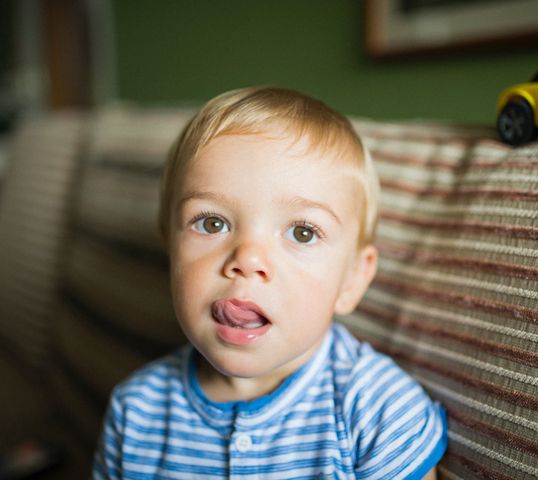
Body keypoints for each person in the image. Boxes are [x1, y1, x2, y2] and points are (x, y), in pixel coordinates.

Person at [92, 86, 447, 479]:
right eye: (212, 223)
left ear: (352, 280)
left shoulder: (379, 413)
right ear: (171, 249)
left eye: (302, 232)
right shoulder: (136, 412)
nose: (247, 259)